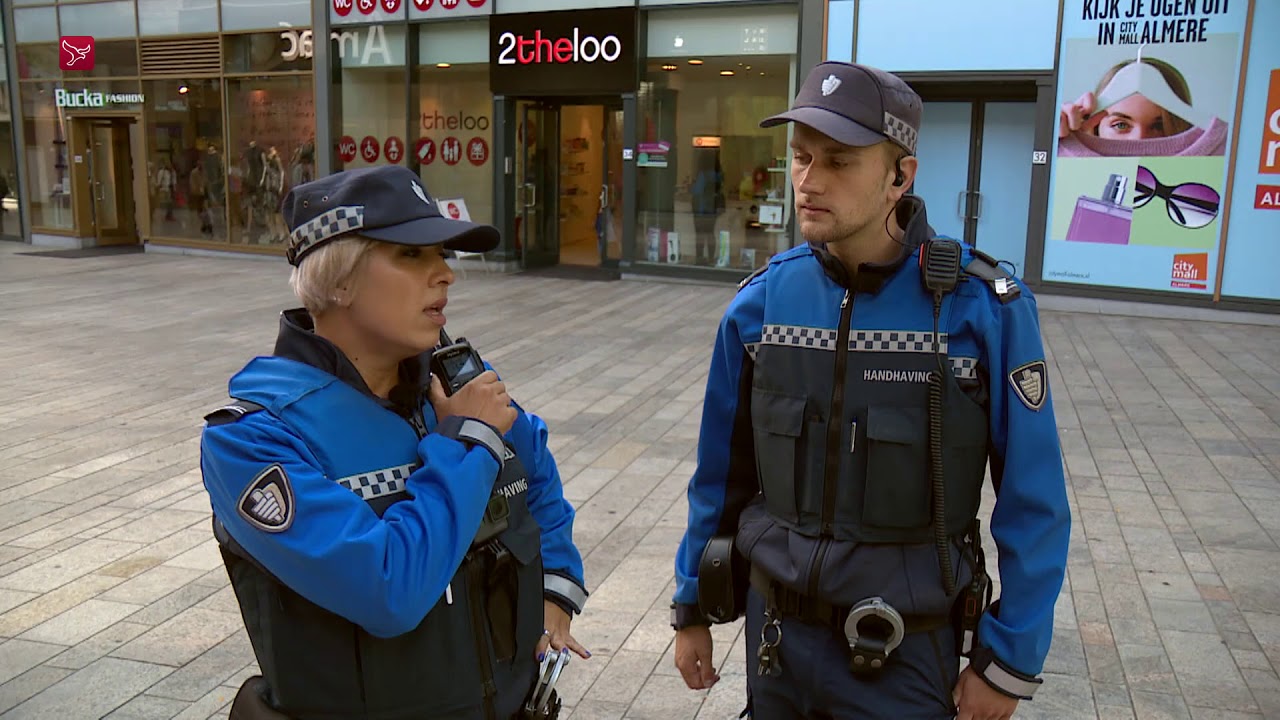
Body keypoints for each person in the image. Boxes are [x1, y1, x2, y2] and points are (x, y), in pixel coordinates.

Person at [670, 61, 1071, 719]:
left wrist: (1009, 662)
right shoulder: (760, 306)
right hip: (777, 648)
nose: (808, 180)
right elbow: (721, 478)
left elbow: (1035, 502)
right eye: (800, 158)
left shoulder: (984, 311)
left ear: (898, 177)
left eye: (838, 161)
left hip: (906, 651)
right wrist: (693, 606)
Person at [200, 165, 591, 719]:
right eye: (412, 255)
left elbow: (535, 475)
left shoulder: (457, 384)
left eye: (443, 253)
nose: (445, 274)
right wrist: (466, 443)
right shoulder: (253, 437)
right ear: (338, 280)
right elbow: (389, 593)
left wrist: (557, 591)